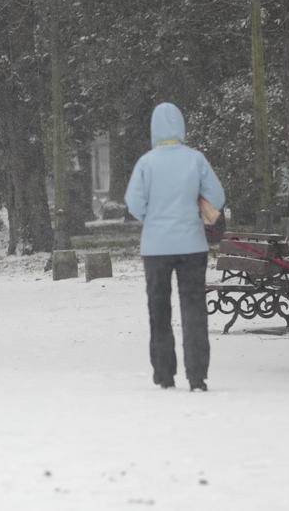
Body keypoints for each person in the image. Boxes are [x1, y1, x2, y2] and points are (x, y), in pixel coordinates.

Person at [124, 102, 225, 392]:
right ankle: (197, 376)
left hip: (155, 247)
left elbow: (133, 203)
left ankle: (165, 374)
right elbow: (216, 196)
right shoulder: (195, 159)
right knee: (194, 309)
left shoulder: (146, 162)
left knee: (159, 309)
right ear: (181, 127)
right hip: (192, 245)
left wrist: (151, 217)